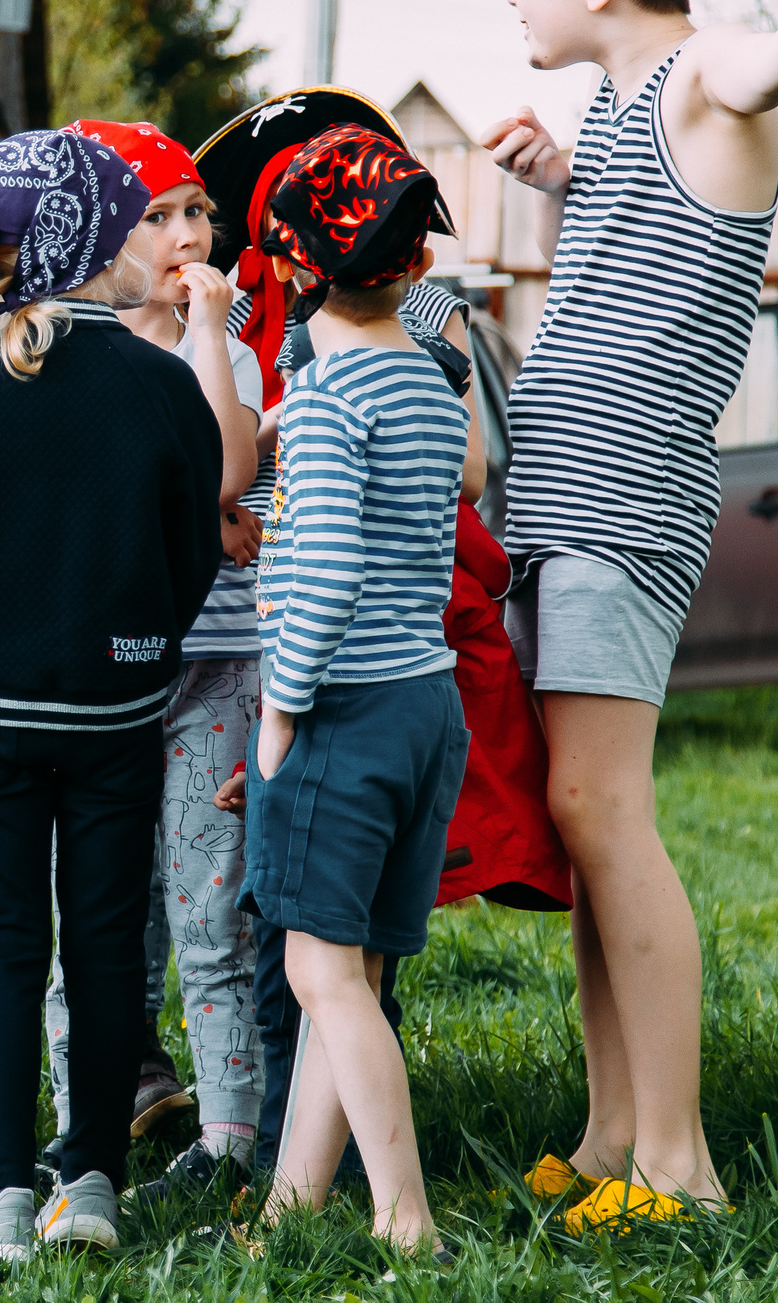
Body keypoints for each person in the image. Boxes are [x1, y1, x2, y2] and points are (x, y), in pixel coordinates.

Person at [453, 0, 778, 1226]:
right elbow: (620, 258)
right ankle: (609, 1133)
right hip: (562, 506)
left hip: (621, 506)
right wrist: (558, 179)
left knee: (606, 813)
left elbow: (770, 70)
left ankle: (681, 1161)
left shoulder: (708, 79)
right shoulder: (626, 118)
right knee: (582, 825)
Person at [0, 125, 227, 1259]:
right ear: (99, 238)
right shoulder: (160, 386)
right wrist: (139, 647)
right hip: (118, 707)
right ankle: (89, 1181)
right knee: (100, 947)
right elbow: (195, 552)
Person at [241, 123, 472, 1256]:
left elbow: (322, 572)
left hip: (343, 711)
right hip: (428, 706)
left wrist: (279, 711)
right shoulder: (430, 386)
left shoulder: (331, 402)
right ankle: (293, 1203)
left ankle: (405, 1219)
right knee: (354, 975)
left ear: (288, 268)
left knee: (318, 972)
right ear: (414, 264)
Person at [24, 123, 263, 1199]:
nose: (182, 234)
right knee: (94, 920)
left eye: (196, 212)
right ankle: (90, 1133)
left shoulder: (230, 346)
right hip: (101, 680)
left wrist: (208, 335)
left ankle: (230, 1141)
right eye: (155, 214)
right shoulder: (60, 347)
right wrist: (187, 515)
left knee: (211, 911)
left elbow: (222, 466)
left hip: (213, 668)